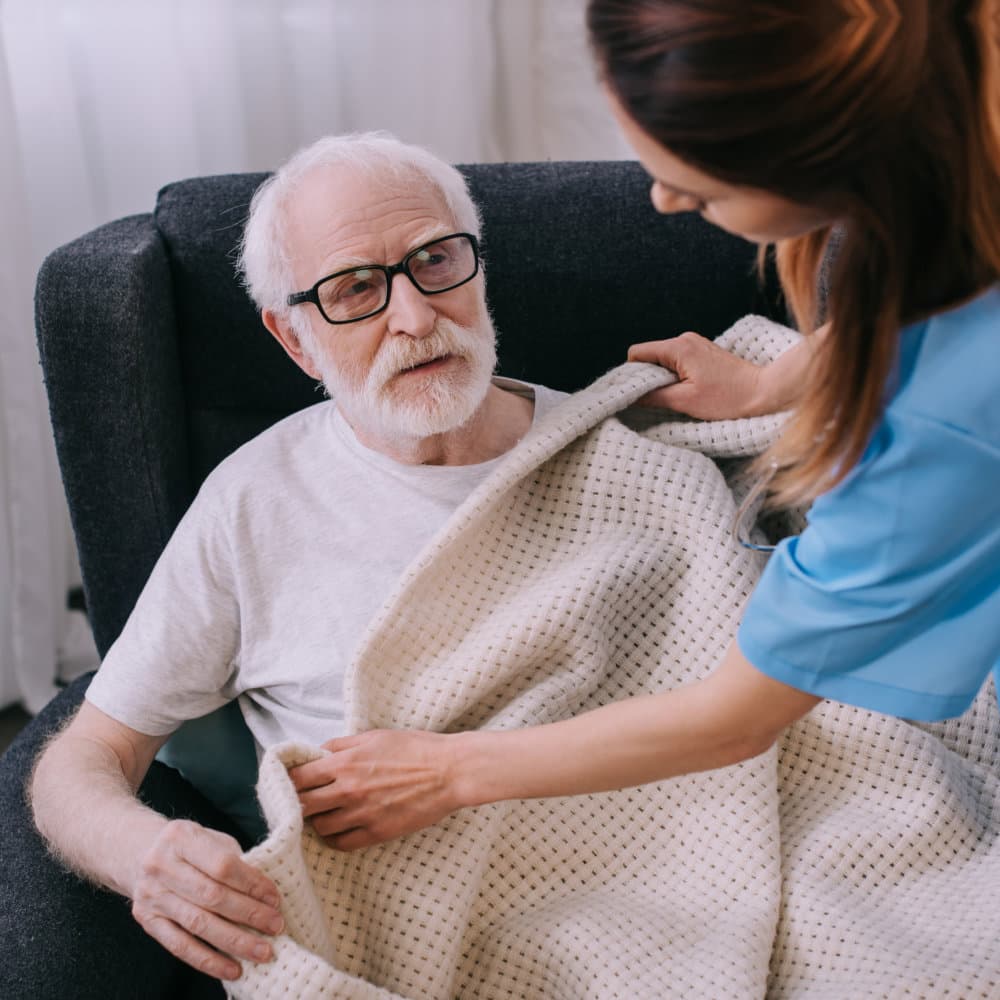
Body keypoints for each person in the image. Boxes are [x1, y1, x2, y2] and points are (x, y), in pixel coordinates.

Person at [282, 0, 1000, 847]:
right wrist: (776, 382)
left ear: (817, 159)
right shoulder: (955, 101)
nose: (660, 199)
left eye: (696, 186)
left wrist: (446, 770)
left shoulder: (929, 434)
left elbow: (738, 717)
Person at [29, 131, 567, 984]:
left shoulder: (620, 451)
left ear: (478, 266)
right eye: (355, 289)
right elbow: (82, 757)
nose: (416, 316)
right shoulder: (254, 503)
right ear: (295, 340)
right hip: (401, 947)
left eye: (436, 261)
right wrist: (145, 854)